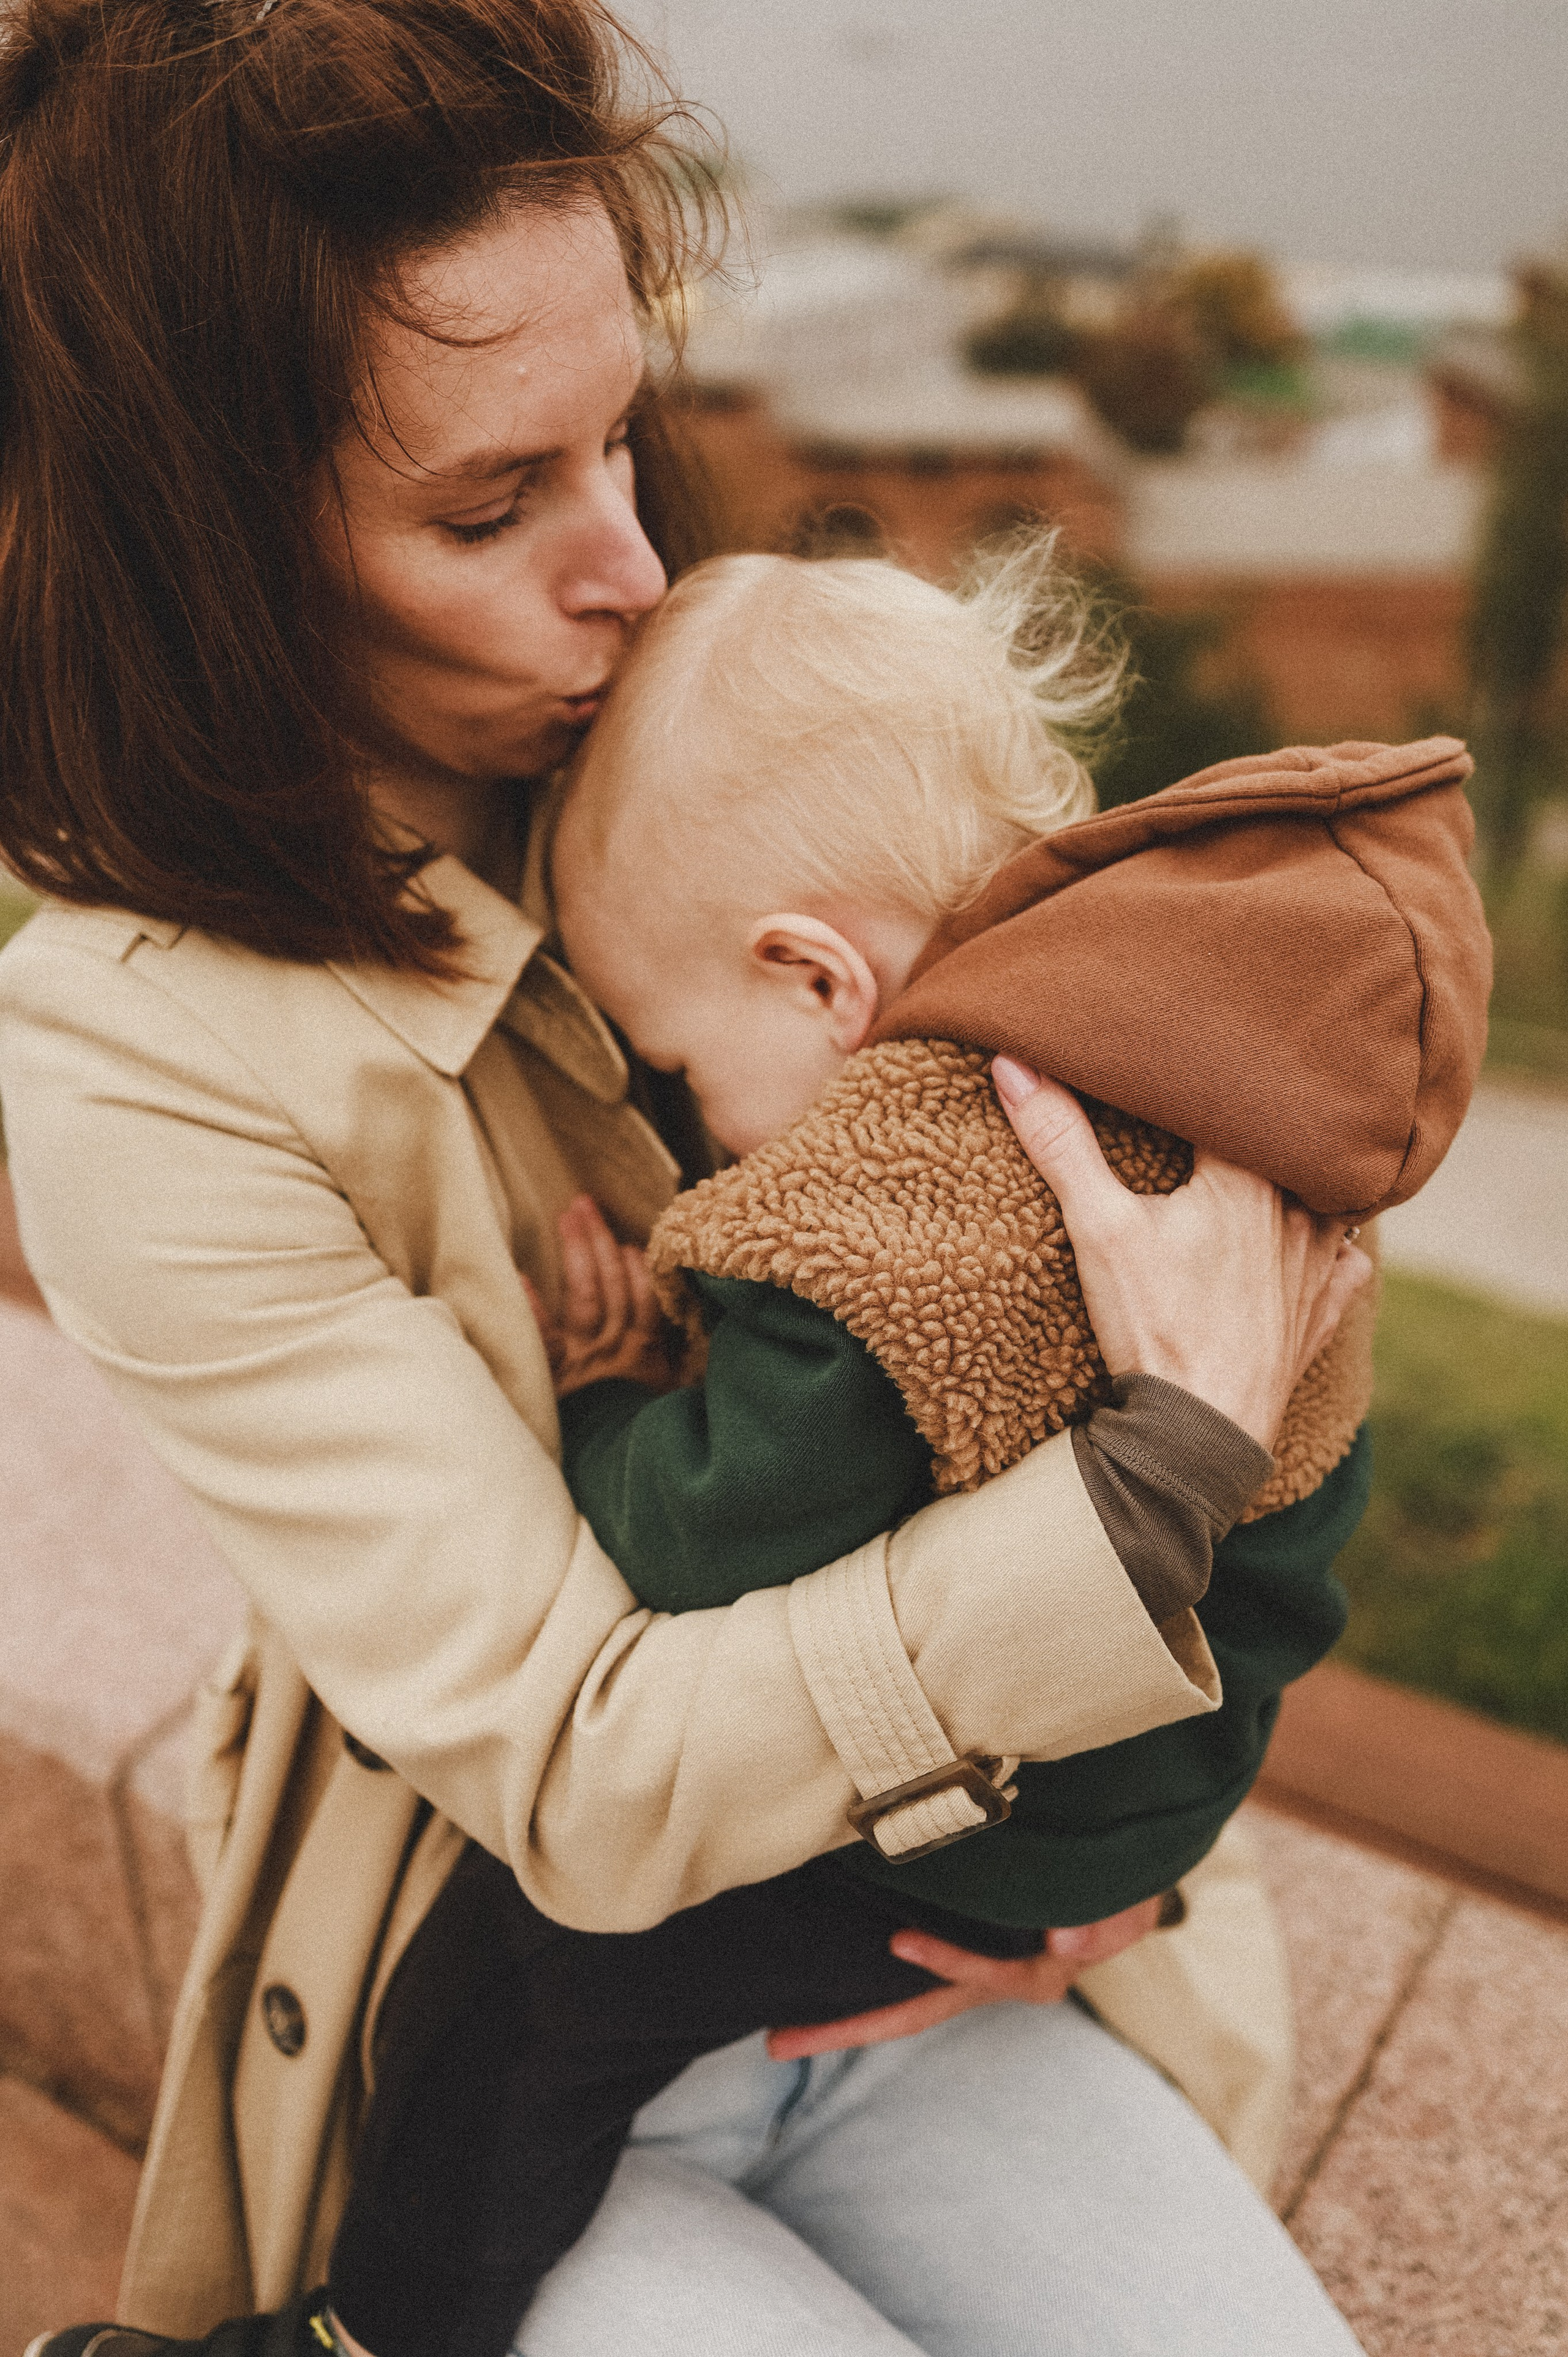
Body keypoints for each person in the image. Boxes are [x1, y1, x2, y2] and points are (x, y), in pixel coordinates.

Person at [0, 2, 1396, 2353]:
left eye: (620, 437)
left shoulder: (716, 717)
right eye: (486, 506)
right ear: (209, 561)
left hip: (944, 1968)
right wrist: (1129, 1511)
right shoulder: (133, 1059)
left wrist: (1124, 1848)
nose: (630, 571)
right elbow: (577, 1766)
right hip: (536, 2064)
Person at [298, 548, 1488, 2357]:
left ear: (817, 979)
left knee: (506, 2014)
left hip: (894, 1897)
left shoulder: (891, 1220)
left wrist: (613, 1397)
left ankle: (359, 2335)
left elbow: (695, 1545)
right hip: (1081, 1854)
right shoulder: (1194, 1083)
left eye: (685, 1068)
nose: (693, 1124)